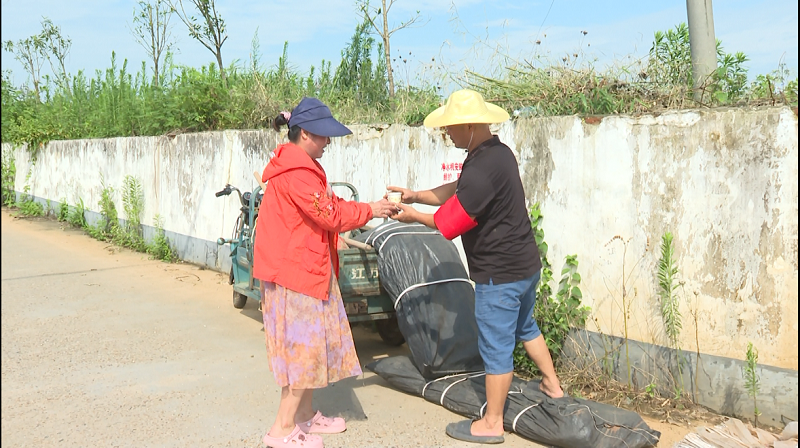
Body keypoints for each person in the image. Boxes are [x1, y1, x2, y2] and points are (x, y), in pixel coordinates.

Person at [389, 89, 565, 444]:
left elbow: (449, 223)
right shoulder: (494, 154)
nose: (447, 134)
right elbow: (459, 188)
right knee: (525, 326)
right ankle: (552, 384)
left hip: (499, 274)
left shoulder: (482, 168)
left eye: (451, 128)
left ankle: (492, 422)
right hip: (525, 265)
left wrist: (411, 215)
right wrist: (417, 195)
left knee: (495, 345)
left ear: (469, 125)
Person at [253, 97, 397, 448]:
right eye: (323, 136)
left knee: (309, 350)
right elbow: (330, 215)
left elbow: (326, 212)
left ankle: (303, 416)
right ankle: (282, 429)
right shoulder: (298, 173)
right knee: (302, 353)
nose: (328, 142)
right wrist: (372, 209)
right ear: (304, 134)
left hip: (302, 268)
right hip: (296, 273)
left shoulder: (295, 166)